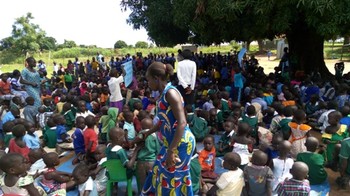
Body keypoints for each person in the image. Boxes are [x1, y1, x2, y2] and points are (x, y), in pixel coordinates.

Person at [139, 62, 196, 195]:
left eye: (148, 80)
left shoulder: (170, 93)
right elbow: (163, 121)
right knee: (159, 173)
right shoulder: (163, 94)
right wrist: (147, 133)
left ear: (156, 78)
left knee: (172, 179)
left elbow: (182, 122)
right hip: (171, 143)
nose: (148, 83)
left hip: (180, 143)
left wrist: (171, 151)